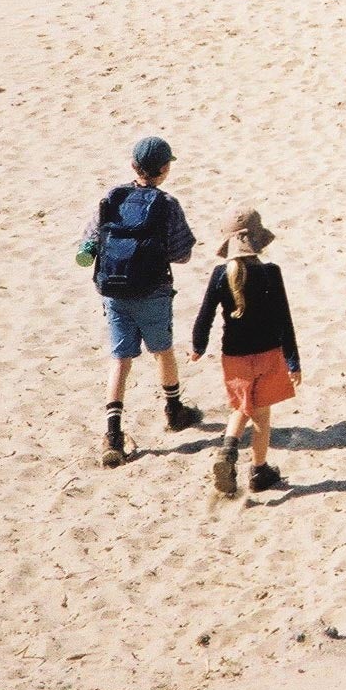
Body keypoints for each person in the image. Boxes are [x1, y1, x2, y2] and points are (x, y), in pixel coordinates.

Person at [80, 134, 202, 468]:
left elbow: (91, 240)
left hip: (114, 291)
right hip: (153, 292)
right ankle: (175, 410)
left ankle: (113, 433)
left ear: (134, 166)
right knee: (163, 350)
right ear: (164, 169)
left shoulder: (112, 196)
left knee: (120, 359)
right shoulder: (167, 204)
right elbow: (182, 253)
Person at [190, 205, 301, 496]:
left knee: (242, 406)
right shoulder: (271, 273)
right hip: (268, 353)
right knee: (262, 415)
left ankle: (228, 450)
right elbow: (283, 319)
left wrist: (198, 346)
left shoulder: (219, 274)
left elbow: (205, 316)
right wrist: (293, 360)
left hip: (234, 357)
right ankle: (259, 469)